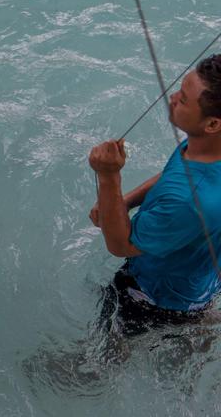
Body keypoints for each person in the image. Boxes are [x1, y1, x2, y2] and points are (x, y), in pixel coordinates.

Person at [88, 54, 221, 336]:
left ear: (212, 124)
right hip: (198, 272)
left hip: (157, 298)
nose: (172, 97)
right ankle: (203, 320)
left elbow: (121, 245)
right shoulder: (207, 146)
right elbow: (177, 176)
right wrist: (123, 203)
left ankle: (199, 324)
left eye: (184, 99)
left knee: (104, 359)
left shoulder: (188, 202)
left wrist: (109, 177)